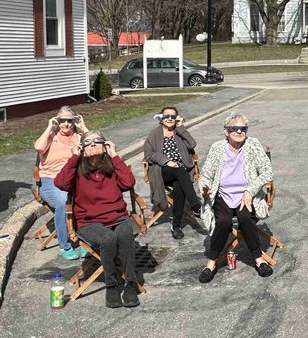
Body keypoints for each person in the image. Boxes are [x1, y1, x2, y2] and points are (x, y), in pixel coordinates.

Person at [54, 131, 140, 308]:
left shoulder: (112, 165)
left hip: (117, 216)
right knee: (107, 239)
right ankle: (112, 285)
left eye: (97, 141)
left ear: (105, 145)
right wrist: (74, 157)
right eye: (88, 142)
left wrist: (114, 155)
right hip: (88, 221)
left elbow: (129, 183)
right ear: (82, 149)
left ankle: (130, 283)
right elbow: (61, 184)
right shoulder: (76, 168)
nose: (92, 144)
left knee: (125, 236)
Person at [198, 113, 274, 283]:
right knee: (223, 222)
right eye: (234, 128)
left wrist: (250, 190)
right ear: (226, 131)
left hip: (246, 195)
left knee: (246, 218)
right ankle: (211, 263)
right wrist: (204, 188)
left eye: (243, 129)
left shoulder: (253, 144)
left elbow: (267, 171)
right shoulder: (217, 147)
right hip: (223, 195)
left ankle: (258, 259)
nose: (239, 132)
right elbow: (205, 175)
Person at [34, 106, 89, 259]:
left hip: (73, 179)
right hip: (48, 179)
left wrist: (83, 128)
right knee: (62, 203)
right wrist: (49, 127)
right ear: (57, 121)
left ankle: (86, 241)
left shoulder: (79, 138)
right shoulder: (52, 136)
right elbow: (39, 147)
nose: (66, 124)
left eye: (70, 121)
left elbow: (96, 145)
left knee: (88, 199)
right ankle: (65, 245)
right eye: (62, 120)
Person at [143, 105, 201, 239]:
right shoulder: (154, 133)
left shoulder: (179, 131)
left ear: (177, 119)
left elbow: (192, 144)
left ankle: (176, 226)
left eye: (173, 117)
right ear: (161, 118)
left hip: (181, 173)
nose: (170, 118)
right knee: (180, 172)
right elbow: (148, 153)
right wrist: (166, 161)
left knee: (179, 186)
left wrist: (181, 127)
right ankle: (196, 205)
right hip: (163, 171)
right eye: (167, 116)